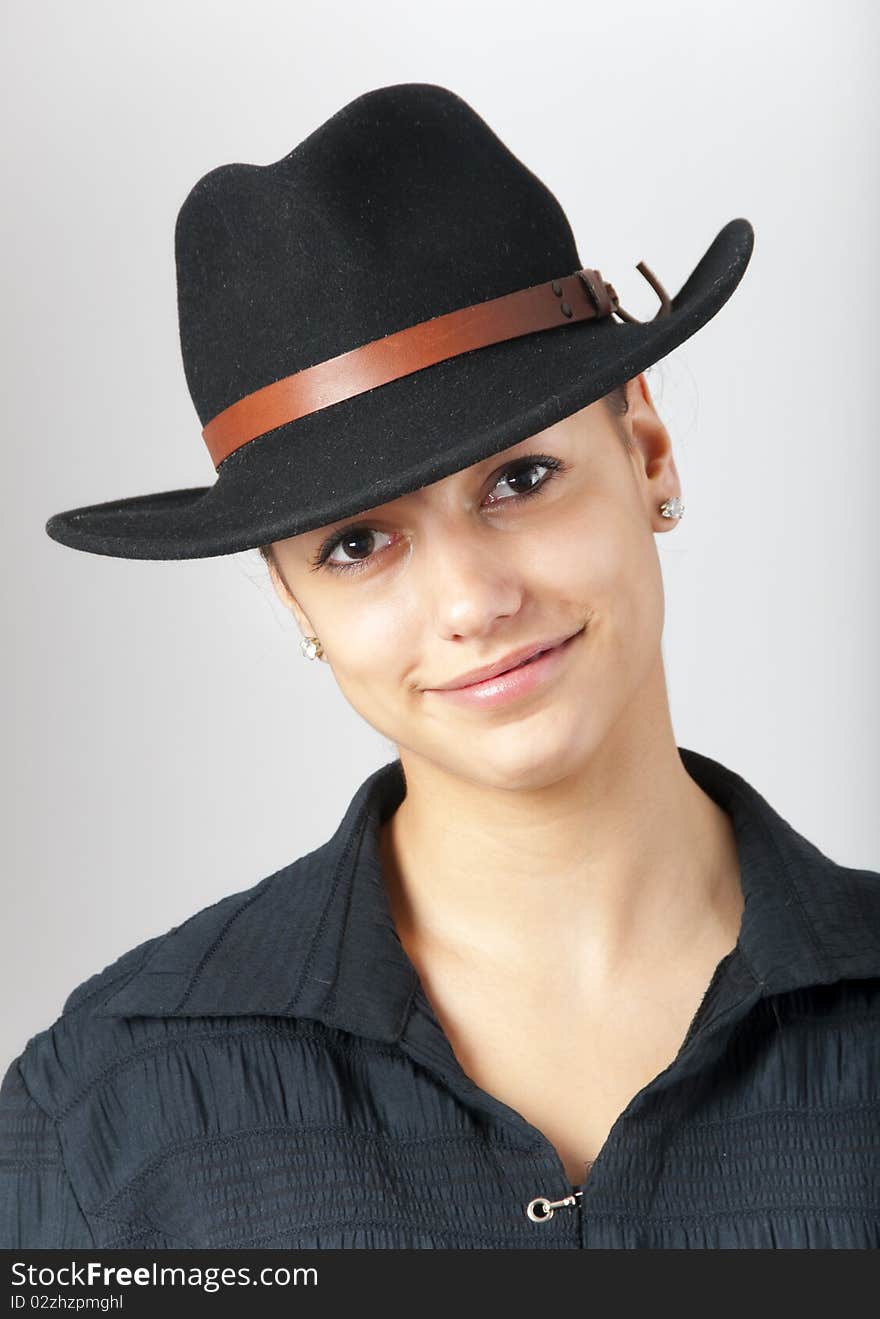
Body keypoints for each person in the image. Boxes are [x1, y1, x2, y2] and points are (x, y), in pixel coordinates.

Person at [2, 82, 878, 1251]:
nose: (472, 600)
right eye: (357, 543)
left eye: (518, 478)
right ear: (292, 598)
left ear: (648, 452)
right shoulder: (113, 1108)